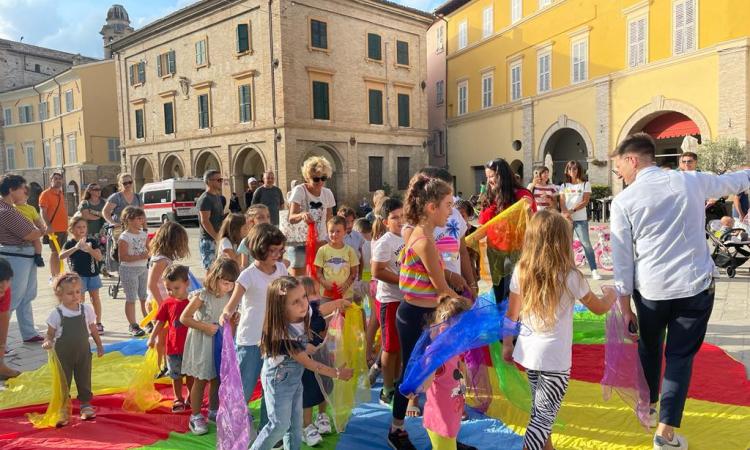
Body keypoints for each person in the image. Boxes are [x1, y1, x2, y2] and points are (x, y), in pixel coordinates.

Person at [610, 132, 750, 450]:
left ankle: (648, 406)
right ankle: (666, 432)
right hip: (693, 288)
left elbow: (622, 261)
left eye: (619, 165)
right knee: (679, 357)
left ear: (633, 160)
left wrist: (624, 306)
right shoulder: (691, 181)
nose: (618, 172)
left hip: (651, 292)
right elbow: (735, 181)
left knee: (649, 347)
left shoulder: (624, 201)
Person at [502, 210, 615, 450]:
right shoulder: (570, 275)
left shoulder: (521, 270)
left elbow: (511, 315)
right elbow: (598, 308)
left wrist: (507, 344)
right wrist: (611, 296)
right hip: (555, 359)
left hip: (529, 353)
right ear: (562, 241)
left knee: (541, 409)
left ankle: (547, 447)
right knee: (542, 417)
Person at [388, 174, 459, 450]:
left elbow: (435, 274)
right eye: (448, 205)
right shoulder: (425, 240)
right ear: (431, 207)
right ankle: (396, 430)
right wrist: (466, 306)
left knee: (435, 372)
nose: (450, 211)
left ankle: (445, 431)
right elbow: (440, 289)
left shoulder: (419, 232)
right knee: (412, 374)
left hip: (423, 315)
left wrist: (454, 277)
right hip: (417, 316)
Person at [250, 276, 353, 450]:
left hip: (294, 379)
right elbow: (310, 364)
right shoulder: (282, 333)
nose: (304, 304)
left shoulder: (302, 313)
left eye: (304, 297)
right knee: (279, 426)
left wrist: (339, 303)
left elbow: (319, 310)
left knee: (295, 425)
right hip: (278, 381)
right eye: (295, 302)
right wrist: (337, 373)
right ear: (281, 308)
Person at [221, 223, 288, 424]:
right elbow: (231, 304)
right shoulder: (248, 274)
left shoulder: (282, 269)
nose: (277, 254)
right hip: (250, 339)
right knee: (245, 384)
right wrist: (226, 314)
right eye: (272, 250)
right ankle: (235, 420)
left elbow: (287, 296)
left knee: (272, 385)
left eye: (279, 250)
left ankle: (268, 426)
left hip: (275, 338)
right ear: (259, 248)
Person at [181, 258, 240, 434]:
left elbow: (229, 321)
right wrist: (205, 326)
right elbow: (184, 318)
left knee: (217, 378)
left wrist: (234, 321)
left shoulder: (230, 296)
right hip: (203, 343)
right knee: (201, 379)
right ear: (215, 278)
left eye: (232, 284)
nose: (229, 287)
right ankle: (196, 415)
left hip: (220, 341)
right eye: (225, 283)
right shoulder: (202, 295)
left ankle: (214, 410)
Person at [41, 272, 104, 425]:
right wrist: (47, 342)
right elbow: (49, 334)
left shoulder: (86, 310)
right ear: (59, 294)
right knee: (64, 381)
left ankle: (85, 405)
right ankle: (63, 408)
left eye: (78, 292)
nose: (75, 296)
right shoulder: (56, 314)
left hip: (83, 353)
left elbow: (93, 328)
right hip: (63, 356)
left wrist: (99, 345)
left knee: (84, 378)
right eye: (70, 293)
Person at [298, 276, 350, 446]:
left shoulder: (316, 311)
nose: (317, 296)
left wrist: (333, 318)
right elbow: (319, 310)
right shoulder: (304, 311)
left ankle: (322, 415)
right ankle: (306, 425)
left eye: (317, 292)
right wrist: (338, 303)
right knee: (308, 389)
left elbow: (320, 322)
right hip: (308, 356)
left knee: (325, 385)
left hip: (322, 352)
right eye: (312, 293)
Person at [419, 296, 475, 450]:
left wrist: (464, 384)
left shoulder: (454, 350)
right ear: (444, 330)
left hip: (451, 414)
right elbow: (425, 384)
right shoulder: (436, 356)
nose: (465, 337)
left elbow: (459, 370)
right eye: (461, 333)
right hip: (439, 420)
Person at [479, 158, 536, 304]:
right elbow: (483, 225)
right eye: (487, 177)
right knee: (499, 291)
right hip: (495, 251)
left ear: (502, 175)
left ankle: (515, 321)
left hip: (518, 251)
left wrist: (529, 210)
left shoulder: (522, 195)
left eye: (492, 176)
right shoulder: (489, 197)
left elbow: (534, 224)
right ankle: (504, 321)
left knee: (516, 290)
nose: (489, 181)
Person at [0, 174, 44, 344]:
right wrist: (41, 229)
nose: (25, 191)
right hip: (16, 257)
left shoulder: (9, 208)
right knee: (11, 300)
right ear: (12, 190)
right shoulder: (7, 211)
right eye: (22, 188)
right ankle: (2, 343)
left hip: (24, 256)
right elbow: (31, 233)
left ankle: (28, 332)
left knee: (26, 296)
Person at [370, 197, 405, 407]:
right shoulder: (385, 242)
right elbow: (377, 271)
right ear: (386, 221)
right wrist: (404, 281)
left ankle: (398, 384)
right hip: (390, 300)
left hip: (407, 299)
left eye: (402, 216)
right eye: (394, 217)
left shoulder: (409, 236)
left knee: (401, 345)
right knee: (390, 347)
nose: (400, 220)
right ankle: (387, 390)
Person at [147, 264, 193, 415]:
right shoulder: (167, 303)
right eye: (168, 289)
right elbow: (160, 322)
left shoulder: (194, 302)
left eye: (176, 288)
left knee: (192, 374)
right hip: (173, 348)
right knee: (175, 375)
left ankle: (192, 396)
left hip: (191, 347)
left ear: (186, 283)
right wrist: (152, 337)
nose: (171, 292)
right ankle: (178, 398)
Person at [147, 221, 190, 375]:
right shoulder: (161, 260)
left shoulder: (162, 258)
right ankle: (161, 367)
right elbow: (151, 284)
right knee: (162, 337)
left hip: (161, 301)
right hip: (158, 302)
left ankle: (165, 364)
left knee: (166, 336)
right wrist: (162, 305)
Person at [287, 156, 336, 276]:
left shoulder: (327, 193)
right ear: (307, 177)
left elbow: (329, 219)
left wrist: (330, 239)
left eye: (323, 178)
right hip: (301, 242)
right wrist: (301, 214)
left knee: (321, 277)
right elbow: (291, 218)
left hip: (321, 241)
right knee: (299, 279)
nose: (320, 182)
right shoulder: (300, 190)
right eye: (316, 179)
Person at [59, 217, 104, 334]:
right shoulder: (70, 243)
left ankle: (98, 323)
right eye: (78, 227)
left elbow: (99, 257)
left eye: (84, 227)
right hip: (78, 277)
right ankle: (82, 323)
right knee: (79, 300)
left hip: (93, 275)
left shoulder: (92, 241)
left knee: (95, 299)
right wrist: (76, 247)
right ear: (72, 229)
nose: (82, 229)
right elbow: (61, 256)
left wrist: (89, 249)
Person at [559, 160, 601, 280]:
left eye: (575, 169)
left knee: (586, 244)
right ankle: (567, 269)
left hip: (580, 219)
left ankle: (594, 270)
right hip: (566, 219)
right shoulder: (564, 186)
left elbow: (585, 201)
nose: (573, 171)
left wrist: (571, 211)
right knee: (566, 245)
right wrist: (565, 214)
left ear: (579, 170)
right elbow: (562, 202)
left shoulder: (585, 184)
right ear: (567, 171)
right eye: (570, 169)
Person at [118, 206, 150, 337]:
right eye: (139, 218)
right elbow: (123, 257)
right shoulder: (124, 237)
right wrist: (141, 256)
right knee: (131, 298)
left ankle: (147, 321)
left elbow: (149, 248)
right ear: (129, 220)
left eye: (142, 218)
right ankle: (133, 325)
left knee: (144, 297)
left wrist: (150, 252)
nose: (142, 221)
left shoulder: (143, 234)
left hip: (143, 268)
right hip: (129, 270)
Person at [315, 216, 359, 300]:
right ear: (327, 232)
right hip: (326, 295)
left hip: (346, 296)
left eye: (338, 231)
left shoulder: (350, 251)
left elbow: (353, 273)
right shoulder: (322, 250)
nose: (334, 234)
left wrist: (346, 285)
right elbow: (318, 273)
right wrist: (324, 283)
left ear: (345, 232)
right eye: (331, 231)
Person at [39, 172, 69, 277]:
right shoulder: (45, 194)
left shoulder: (60, 193)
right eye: (55, 178)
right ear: (51, 180)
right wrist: (48, 225)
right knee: (55, 252)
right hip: (54, 229)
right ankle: (54, 276)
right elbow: (43, 211)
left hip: (63, 228)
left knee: (60, 252)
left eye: (60, 179)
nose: (58, 180)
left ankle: (59, 274)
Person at [197, 170, 226, 270]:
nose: (221, 182)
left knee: (218, 269)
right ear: (209, 181)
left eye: (221, 179)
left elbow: (218, 217)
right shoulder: (205, 199)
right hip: (208, 240)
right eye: (218, 180)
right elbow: (205, 221)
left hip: (217, 238)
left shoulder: (217, 197)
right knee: (210, 270)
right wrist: (216, 237)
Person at [14, 189, 46, 267]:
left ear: (26, 197)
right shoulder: (12, 208)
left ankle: (38, 256)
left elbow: (37, 220)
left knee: (37, 241)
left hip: (30, 230)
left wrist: (42, 228)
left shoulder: (30, 208)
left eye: (21, 197)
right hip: (18, 231)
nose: (17, 199)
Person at [0, 258, 20, 378]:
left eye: (6, 280)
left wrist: (2, 346)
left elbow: (3, 318)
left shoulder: (5, 291)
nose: (3, 285)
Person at [237, 204, 271, 269]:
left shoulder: (274, 240)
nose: (266, 220)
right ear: (251, 221)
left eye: (268, 216)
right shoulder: (246, 242)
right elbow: (244, 266)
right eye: (260, 217)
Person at [338, 205, 364, 278]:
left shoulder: (358, 236)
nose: (349, 225)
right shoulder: (334, 237)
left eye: (352, 221)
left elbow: (361, 256)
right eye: (346, 222)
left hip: (354, 276)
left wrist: (361, 274)